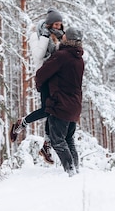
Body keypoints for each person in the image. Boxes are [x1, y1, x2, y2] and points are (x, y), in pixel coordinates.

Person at [9, 8, 64, 164]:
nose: (58, 27)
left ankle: (46, 144)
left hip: (57, 79)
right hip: (45, 77)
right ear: (48, 24)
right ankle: (21, 123)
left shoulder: (60, 37)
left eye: (60, 24)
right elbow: (38, 56)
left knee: (54, 111)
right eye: (56, 24)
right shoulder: (36, 35)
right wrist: (46, 36)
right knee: (47, 110)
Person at [34, 27, 84, 176]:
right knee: (69, 139)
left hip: (60, 104)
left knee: (57, 141)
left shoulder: (62, 56)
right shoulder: (79, 58)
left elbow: (42, 73)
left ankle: (70, 172)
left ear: (67, 39)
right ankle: (76, 170)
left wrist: (40, 86)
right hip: (74, 106)